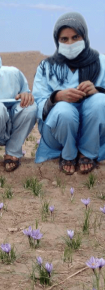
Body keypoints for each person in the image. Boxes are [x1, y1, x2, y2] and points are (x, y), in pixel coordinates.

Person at [33, 12, 105, 175]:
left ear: (84, 37)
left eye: (75, 37)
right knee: (64, 110)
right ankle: (68, 154)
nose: (70, 43)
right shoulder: (46, 67)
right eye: (64, 39)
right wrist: (57, 97)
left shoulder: (101, 62)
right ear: (57, 41)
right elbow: (37, 103)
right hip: (58, 132)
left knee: (100, 101)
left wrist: (97, 91)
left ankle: (87, 153)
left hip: (94, 134)